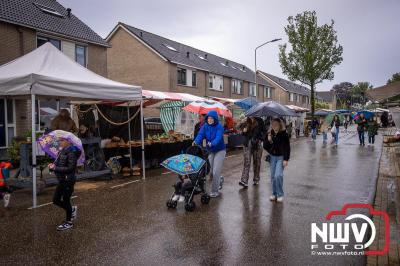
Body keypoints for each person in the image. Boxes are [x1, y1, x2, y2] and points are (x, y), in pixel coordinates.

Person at [49, 137, 81, 231]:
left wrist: (55, 168)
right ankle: (70, 210)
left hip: (68, 180)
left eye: (62, 140)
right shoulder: (62, 151)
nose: (60, 142)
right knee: (55, 200)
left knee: (66, 201)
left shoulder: (72, 153)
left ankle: (69, 222)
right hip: (62, 180)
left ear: (68, 141)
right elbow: (59, 164)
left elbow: (70, 169)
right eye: (59, 140)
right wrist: (53, 166)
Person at [194, 110, 226, 198]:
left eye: (212, 118)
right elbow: (200, 134)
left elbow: (218, 137)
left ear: (215, 119)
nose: (210, 120)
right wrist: (196, 141)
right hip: (210, 150)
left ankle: (215, 191)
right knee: (210, 171)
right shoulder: (205, 126)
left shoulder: (219, 126)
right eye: (208, 118)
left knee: (216, 171)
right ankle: (220, 179)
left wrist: (212, 143)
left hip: (220, 150)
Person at [263, 118, 290, 203]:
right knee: (272, 176)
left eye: (276, 124)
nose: (274, 126)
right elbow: (265, 146)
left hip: (280, 157)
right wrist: (269, 140)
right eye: (273, 124)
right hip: (272, 157)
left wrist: (286, 159)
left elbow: (287, 148)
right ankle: (274, 193)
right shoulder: (270, 133)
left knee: (278, 175)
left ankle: (280, 194)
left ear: (280, 125)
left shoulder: (284, 134)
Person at [239, 117, 264, 188]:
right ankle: (244, 181)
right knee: (247, 162)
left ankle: (256, 179)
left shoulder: (260, 121)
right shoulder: (246, 121)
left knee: (257, 162)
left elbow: (264, 131)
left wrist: (261, 138)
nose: (251, 116)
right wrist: (244, 131)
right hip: (247, 144)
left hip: (257, 144)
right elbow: (239, 129)